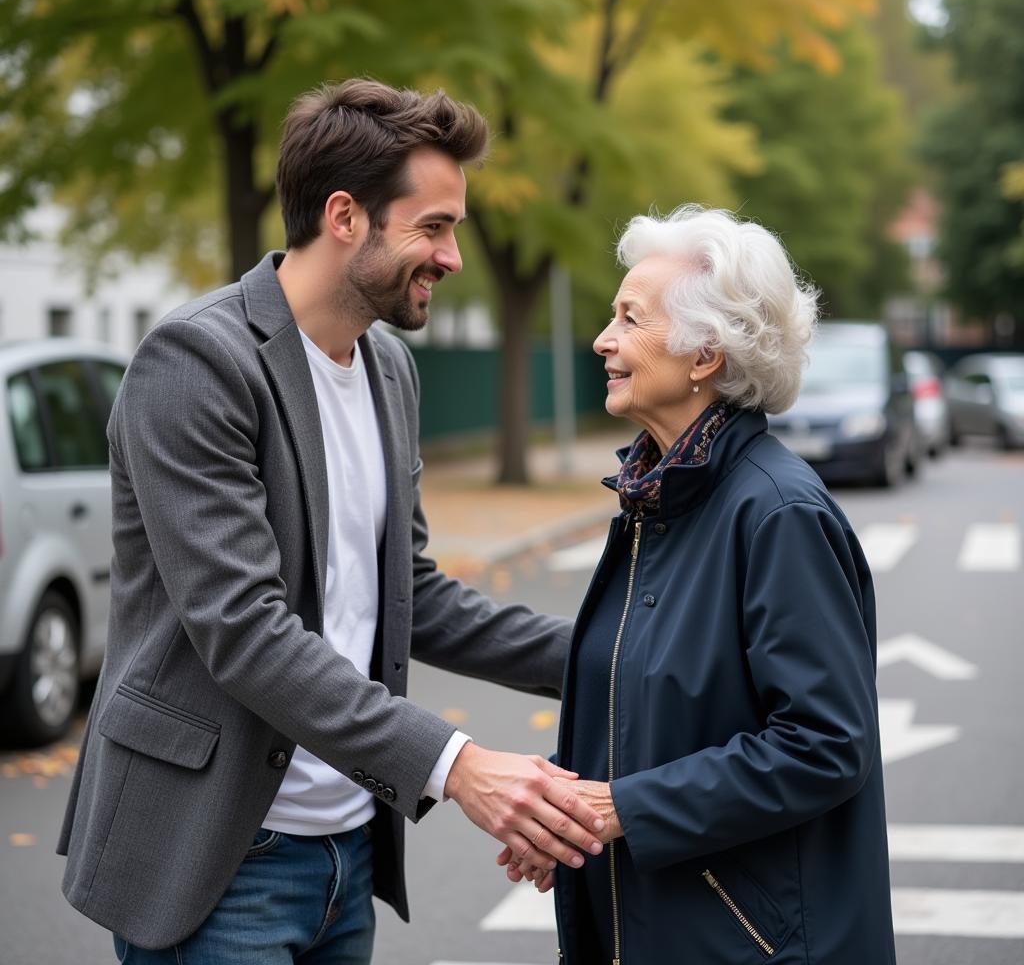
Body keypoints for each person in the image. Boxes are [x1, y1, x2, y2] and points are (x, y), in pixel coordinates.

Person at [57, 79, 605, 964]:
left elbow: (412, 594)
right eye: (433, 226)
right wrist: (457, 766)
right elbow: (244, 631)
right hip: (218, 861)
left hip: (348, 851)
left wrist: (610, 657)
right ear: (345, 215)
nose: (453, 256)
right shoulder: (196, 362)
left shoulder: (389, 369)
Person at [500, 206, 897, 964]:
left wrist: (619, 808)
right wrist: (574, 817)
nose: (603, 340)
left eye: (628, 318)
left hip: (749, 942)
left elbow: (826, 744)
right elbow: (651, 696)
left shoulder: (776, 512)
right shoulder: (659, 495)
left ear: (704, 354)